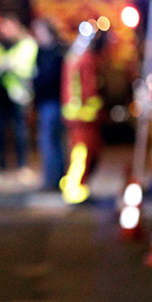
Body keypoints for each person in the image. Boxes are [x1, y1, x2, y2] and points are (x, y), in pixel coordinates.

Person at [0, 13, 38, 180]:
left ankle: (22, 167)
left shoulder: (26, 44)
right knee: (0, 132)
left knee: (20, 132)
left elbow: (25, 68)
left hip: (20, 95)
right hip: (0, 96)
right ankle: (1, 167)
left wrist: (6, 65)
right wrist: (6, 65)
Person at [58, 28, 104, 204]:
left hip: (76, 116)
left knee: (79, 152)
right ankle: (74, 188)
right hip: (83, 117)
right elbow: (89, 87)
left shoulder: (73, 57)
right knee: (82, 154)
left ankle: (76, 185)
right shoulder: (85, 59)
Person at [32, 18, 66, 192]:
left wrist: (37, 81)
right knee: (49, 142)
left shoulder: (57, 52)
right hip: (43, 101)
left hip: (54, 101)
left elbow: (52, 78)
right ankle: (53, 178)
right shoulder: (41, 51)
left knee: (51, 142)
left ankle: (54, 180)